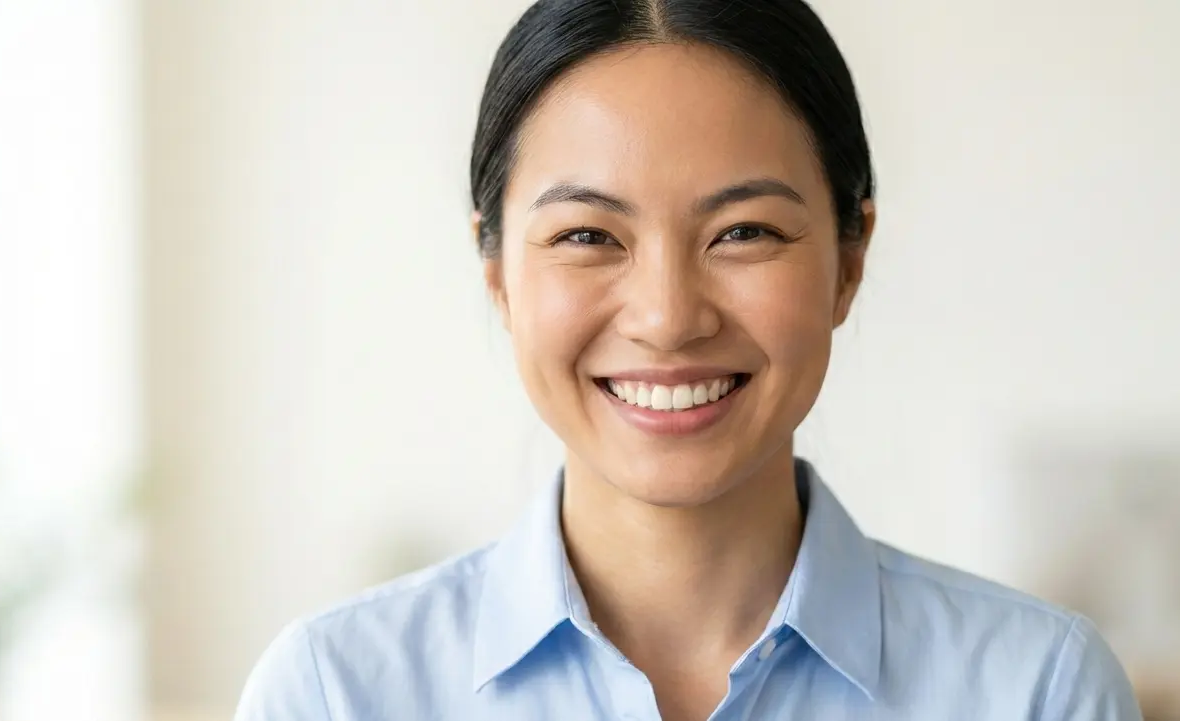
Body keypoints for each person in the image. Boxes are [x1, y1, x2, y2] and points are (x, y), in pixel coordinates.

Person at [234, 1, 1144, 719]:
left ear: (849, 259)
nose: (668, 318)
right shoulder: (334, 694)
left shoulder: (1040, 692)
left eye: (743, 231)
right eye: (588, 234)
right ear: (497, 271)